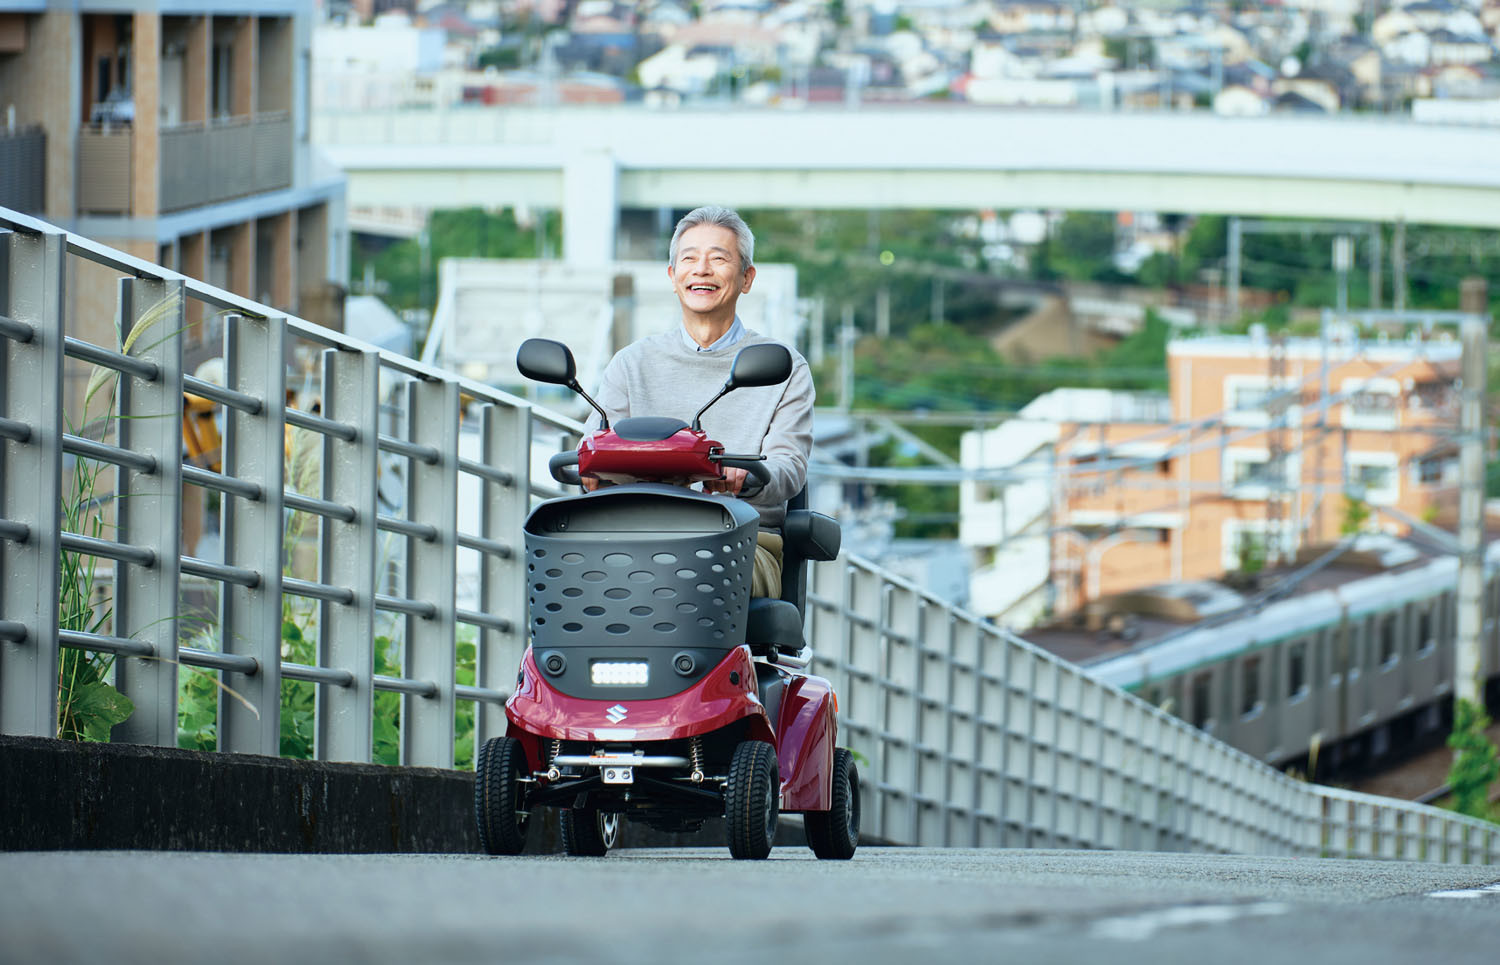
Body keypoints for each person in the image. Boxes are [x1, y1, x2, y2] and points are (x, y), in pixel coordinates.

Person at [585, 205, 814, 598]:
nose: (702, 269)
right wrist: (590, 466)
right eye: (689, 259)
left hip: (742, 540)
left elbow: (788, 466)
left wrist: (746, 478)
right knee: (567, 568)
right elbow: (594, 447)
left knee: (691, 569)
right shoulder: (630, 363)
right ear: (673, 277)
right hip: (636, 535)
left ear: (746, 278)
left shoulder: (783, 366)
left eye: (719, 258)